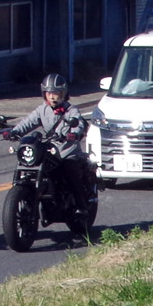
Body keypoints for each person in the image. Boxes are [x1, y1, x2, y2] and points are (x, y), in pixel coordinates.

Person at [10, 72, 98, 215]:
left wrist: (73, 133)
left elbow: (79, 124)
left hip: (68, 152)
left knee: (70, 170)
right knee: (33, 164)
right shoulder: (42, 110)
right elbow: (28, 122)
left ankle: (81, 206)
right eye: (48, 93)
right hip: (50, 151)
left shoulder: (71, 111)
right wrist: (14, 132)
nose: (52, 96)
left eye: (56, 93)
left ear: (63, 93)